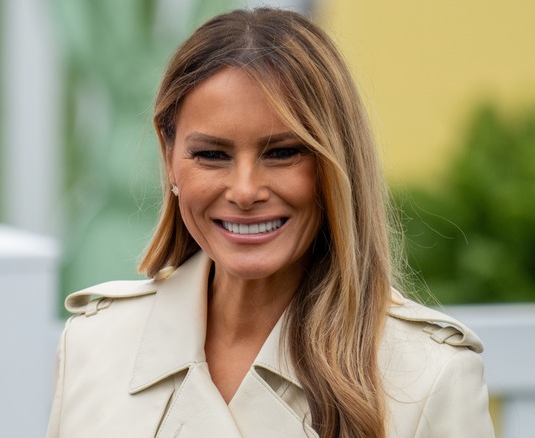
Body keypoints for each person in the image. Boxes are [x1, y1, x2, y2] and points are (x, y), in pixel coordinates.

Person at [46, 7, 494, 438]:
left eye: (282, 153)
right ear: (169, 160)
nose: (244, 191)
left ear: (337, 164)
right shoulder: (94, 344)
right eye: (211, 155)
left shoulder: (429, 377)